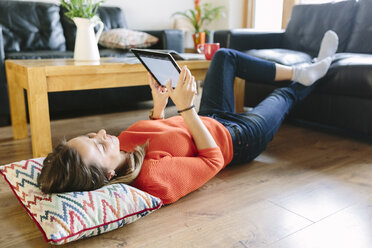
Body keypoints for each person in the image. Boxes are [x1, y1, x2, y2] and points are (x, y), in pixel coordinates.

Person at [38, 31, 339, 204]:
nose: (102, 134)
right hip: (239, 139)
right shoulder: (153, 179)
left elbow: (159, 136)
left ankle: (304, 71)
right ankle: (313, 76)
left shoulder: (123, 147)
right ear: (107, 177)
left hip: (209, 118)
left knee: (223, 57)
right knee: (282, 96)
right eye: (99, 146)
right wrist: (186, 109)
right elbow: (213, 161)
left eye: (93, 135)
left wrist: (159, 105)